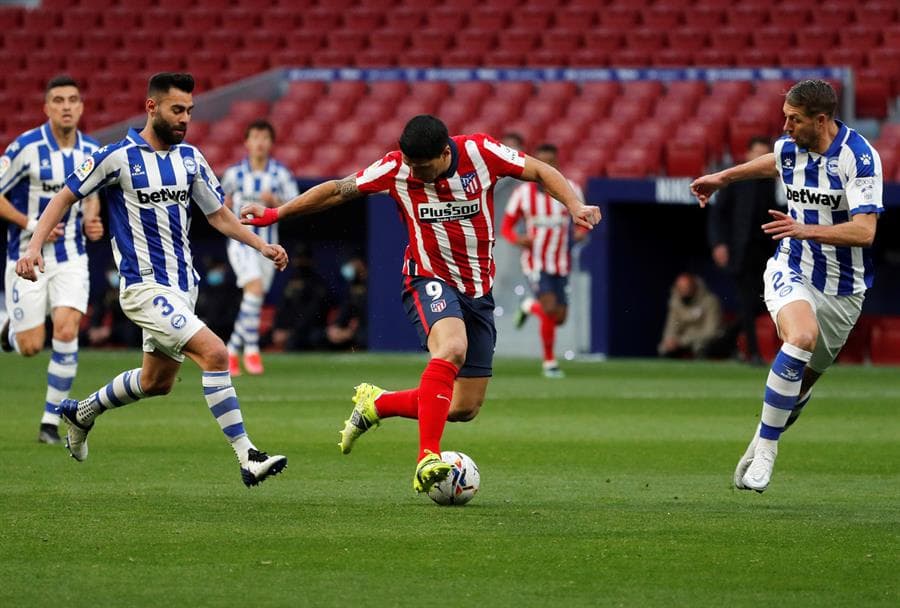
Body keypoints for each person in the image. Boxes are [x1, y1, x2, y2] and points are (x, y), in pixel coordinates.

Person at [241, 114, 601, 493]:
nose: (415, 172)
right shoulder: (397, 167)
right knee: (452, 347)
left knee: (464, 407)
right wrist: (276, 214)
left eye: (423, 167)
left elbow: (541, 170)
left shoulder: (481, 152)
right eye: (410, 165)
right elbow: (336, 190)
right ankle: (427, 457)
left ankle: (377, 404)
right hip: (427, 277)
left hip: (478, 289)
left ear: (445, 153)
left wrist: (573, 205)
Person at [15, 72, 290, 487]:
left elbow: (218, 215)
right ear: (152, 107)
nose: (185, 119)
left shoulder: (191, 159)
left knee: (155, 382)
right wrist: (34, 246)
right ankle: (248, 455)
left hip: (184, 287)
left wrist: (260, 245)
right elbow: (65, 196)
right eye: (177, 110)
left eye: (190, 112)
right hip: (143, 288)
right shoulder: (117, 157)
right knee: (215, 354)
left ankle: (81, 411)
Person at [690, 80, 882, 493]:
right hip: (793, 267)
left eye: (794, 119)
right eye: (785, 117)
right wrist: (721, 178)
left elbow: (865, 232)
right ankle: (768, 453)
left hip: (844, 289)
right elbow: (770, 162)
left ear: (821, 119)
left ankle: (762, 436)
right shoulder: (790, 147)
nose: (786, 126)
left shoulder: (859, 157)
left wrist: (805, 227)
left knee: (801, 384)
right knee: (800, 337)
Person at [0, 75, 104, 444]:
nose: (66, 106)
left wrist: (93, 218)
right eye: (58, 100)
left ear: (81, 107)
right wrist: (31, 223)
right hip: (26, 257)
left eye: (73, 100)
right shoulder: (25, 147)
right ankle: (8, 331)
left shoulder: (92, 151)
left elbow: (91, 195)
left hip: (72, 256)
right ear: (46, 108)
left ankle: (51, 420)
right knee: (30, 346)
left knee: (66, 329)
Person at [501, 143, 587, 377]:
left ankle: (528, 306)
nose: (546, 167)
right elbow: (506, 228)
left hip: (561, 261)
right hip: (535, 262)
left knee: (559, 317)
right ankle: (549, 363)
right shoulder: (522, 195)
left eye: (551, 162)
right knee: (550, 309)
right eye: (542, 162)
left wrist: (582, 232)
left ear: (557, 164)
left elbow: (584, 219)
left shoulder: (572, 189)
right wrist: (518, 239)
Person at [220, 119, 298, 376]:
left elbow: (295, 204)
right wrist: (226, 203)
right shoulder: (233, 174)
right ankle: (251, 351)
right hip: (242, 242)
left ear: (271, 143)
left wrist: (275, 202)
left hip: (269, 243)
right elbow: (217, 203)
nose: (260, 143)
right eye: (255, 137)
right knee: (253, 288)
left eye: (265, 138)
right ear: (247, 142)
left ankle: (231, 351)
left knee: (254, 297)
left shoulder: (280, 175)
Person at [707, 136, 780, 365]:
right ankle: (754, 353)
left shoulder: (775, 182)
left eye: (764, 155)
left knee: (764, 302)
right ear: (748, 155)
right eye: (756, 154)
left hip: (767, 251)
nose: (760, 159)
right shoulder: (736, 179)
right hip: (741, 251)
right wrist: (719, 243)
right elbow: (718, 214)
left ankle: (728, 340)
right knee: (748, 301)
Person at [657, 272, 724, 358]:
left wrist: (681, 341)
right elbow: (671, 327)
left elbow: (711, 332)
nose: (684, 291)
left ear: (694, 286)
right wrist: (670, 340)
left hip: (704, 341)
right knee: (664, 349)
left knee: (701, 348)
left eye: (687, 288)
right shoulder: (675, 303)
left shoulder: (710, 301)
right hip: (682, 342)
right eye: (681, 288)